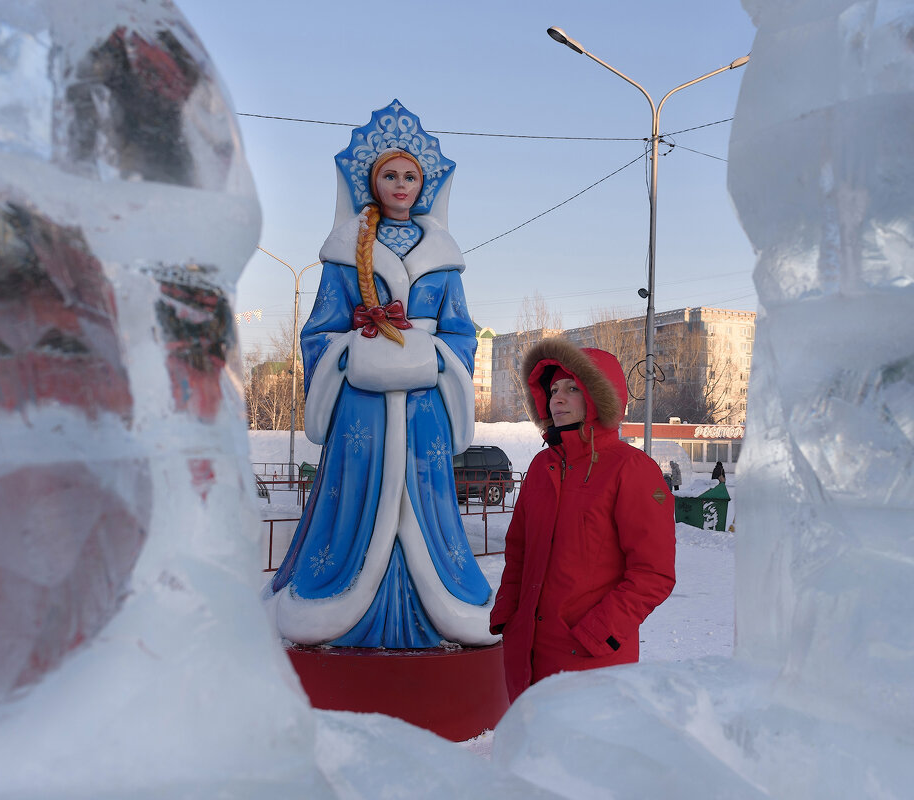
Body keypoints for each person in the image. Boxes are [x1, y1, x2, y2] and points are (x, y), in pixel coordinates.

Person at [266, 101, 496, 649]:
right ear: (372, 182)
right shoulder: (347, 253)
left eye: (410, 176)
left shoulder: (442, 257)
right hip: (361, 405)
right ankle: (338, 599)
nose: (401, 184)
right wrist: (350, 353)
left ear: (424, 185)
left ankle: (437, 605)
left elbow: (462, 332)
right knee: (357, 490)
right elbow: (319, 330)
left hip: (425, 407)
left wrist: (436, 356)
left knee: (427, 491)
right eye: (390, 175)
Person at [489, 338, 677, 701]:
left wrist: (597, 632)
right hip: (527, 656)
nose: (556, 399)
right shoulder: (542, 466)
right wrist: (509, 614)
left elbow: (653, 574)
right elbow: (519, 552)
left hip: (591, 662)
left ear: (599, 395)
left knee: (582, 756)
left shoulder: (632, 469)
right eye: (554, 389)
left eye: (572, 389)